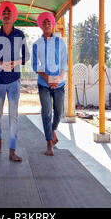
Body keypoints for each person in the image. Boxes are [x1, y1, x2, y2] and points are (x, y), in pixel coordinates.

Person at [0, 1, 30, 162]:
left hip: (14, 82)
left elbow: (26, 57)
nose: (6, 14)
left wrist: (14, 64)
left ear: (13, 16)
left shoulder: (20, 34)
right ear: (1, 16)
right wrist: (0, 63)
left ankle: (12, 150)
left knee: (13, 116)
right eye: (4, 12)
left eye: (9, 12)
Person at [32, 12, 68, 156]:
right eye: (44, 22)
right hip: (44, 83)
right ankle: (49, 143)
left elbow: (64, 62)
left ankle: (53, 130)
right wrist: (47, 78)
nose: (47, 24)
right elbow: (35, 65)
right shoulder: (36, 44)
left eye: (49, 22)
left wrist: (59, 78)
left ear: (53, 24)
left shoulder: (61, 42)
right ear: (40, 25)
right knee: (46, 112)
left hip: (59, 83)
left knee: (59, 111)